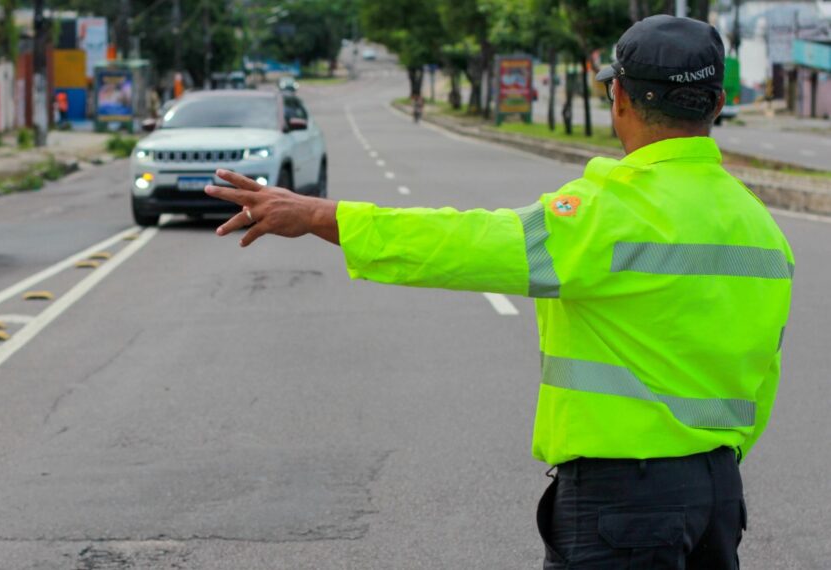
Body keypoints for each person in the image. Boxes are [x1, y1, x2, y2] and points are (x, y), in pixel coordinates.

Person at [205, 15, 792, 569]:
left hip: (625, 504)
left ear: (618, 100)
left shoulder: (604, 215)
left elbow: (461, 243)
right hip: (717, 500)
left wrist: (316, 214)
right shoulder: (762, 229)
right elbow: (763, 373)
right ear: (717, 103)